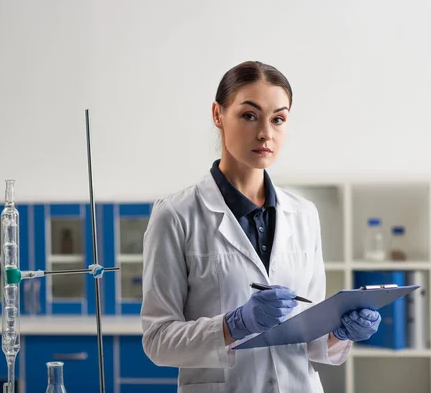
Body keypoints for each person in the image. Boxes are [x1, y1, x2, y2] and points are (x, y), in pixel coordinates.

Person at [140, 60, 381, 392]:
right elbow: (158, 341)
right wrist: (233, 325)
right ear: (218, 115)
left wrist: (338, 332)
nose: (266, 132)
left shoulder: (304, 214)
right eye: (249, 115)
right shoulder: (176, 215)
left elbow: (309, 338)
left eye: (278, 119)